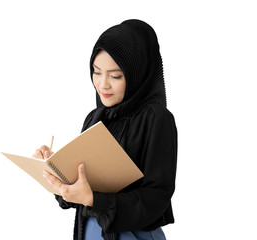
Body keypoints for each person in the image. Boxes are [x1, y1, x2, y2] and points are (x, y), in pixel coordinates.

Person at [34, 19, 177, 240]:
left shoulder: (157, 119)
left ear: (137, 72)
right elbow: (78, 193)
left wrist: (94, 199)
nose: (102, 84)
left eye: (115, 75)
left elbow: (156, 199)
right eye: (97, 72)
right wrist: (57, 172)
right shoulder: (96, 117)